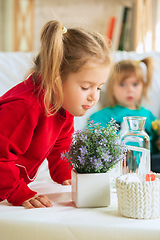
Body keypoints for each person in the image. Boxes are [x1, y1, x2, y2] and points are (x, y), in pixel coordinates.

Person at [0, 20, 112, 209]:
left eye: (99, 87)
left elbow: (60, 144)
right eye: (86, 87)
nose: (94, 97)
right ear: (56, 79)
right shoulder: (24, 107)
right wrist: (17, 192)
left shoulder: (62, 105)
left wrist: (66, 175)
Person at [88, 58, 160, 171]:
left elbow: (156, 140)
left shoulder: (148, 115)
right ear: (112, 89)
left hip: (147, 164)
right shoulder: (104, 115)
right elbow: (93, 140)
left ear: (143, 86)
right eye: (122, 84)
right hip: (116, 164)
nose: (129, 89)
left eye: (135, 84)